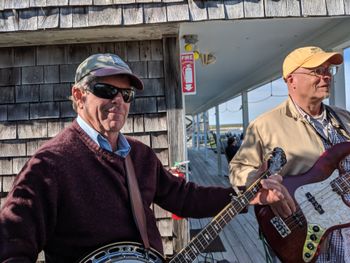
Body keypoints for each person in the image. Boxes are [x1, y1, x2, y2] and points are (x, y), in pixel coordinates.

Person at [0, 53, 286, 263]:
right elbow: (11, 246)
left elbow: (183, 197)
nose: (119, 101)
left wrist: (248, 196)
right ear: (78, 96)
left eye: (126, 95)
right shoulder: (50, 164)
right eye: (105, 90)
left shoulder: (140, 155)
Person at [229, 46, 350, 262]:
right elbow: (238, 171)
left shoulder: (344, 118)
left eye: (328, 70)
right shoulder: (265, 125)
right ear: (291, 79)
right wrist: (266, 191)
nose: (326, 76)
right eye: (317, 71)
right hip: (305, 235)